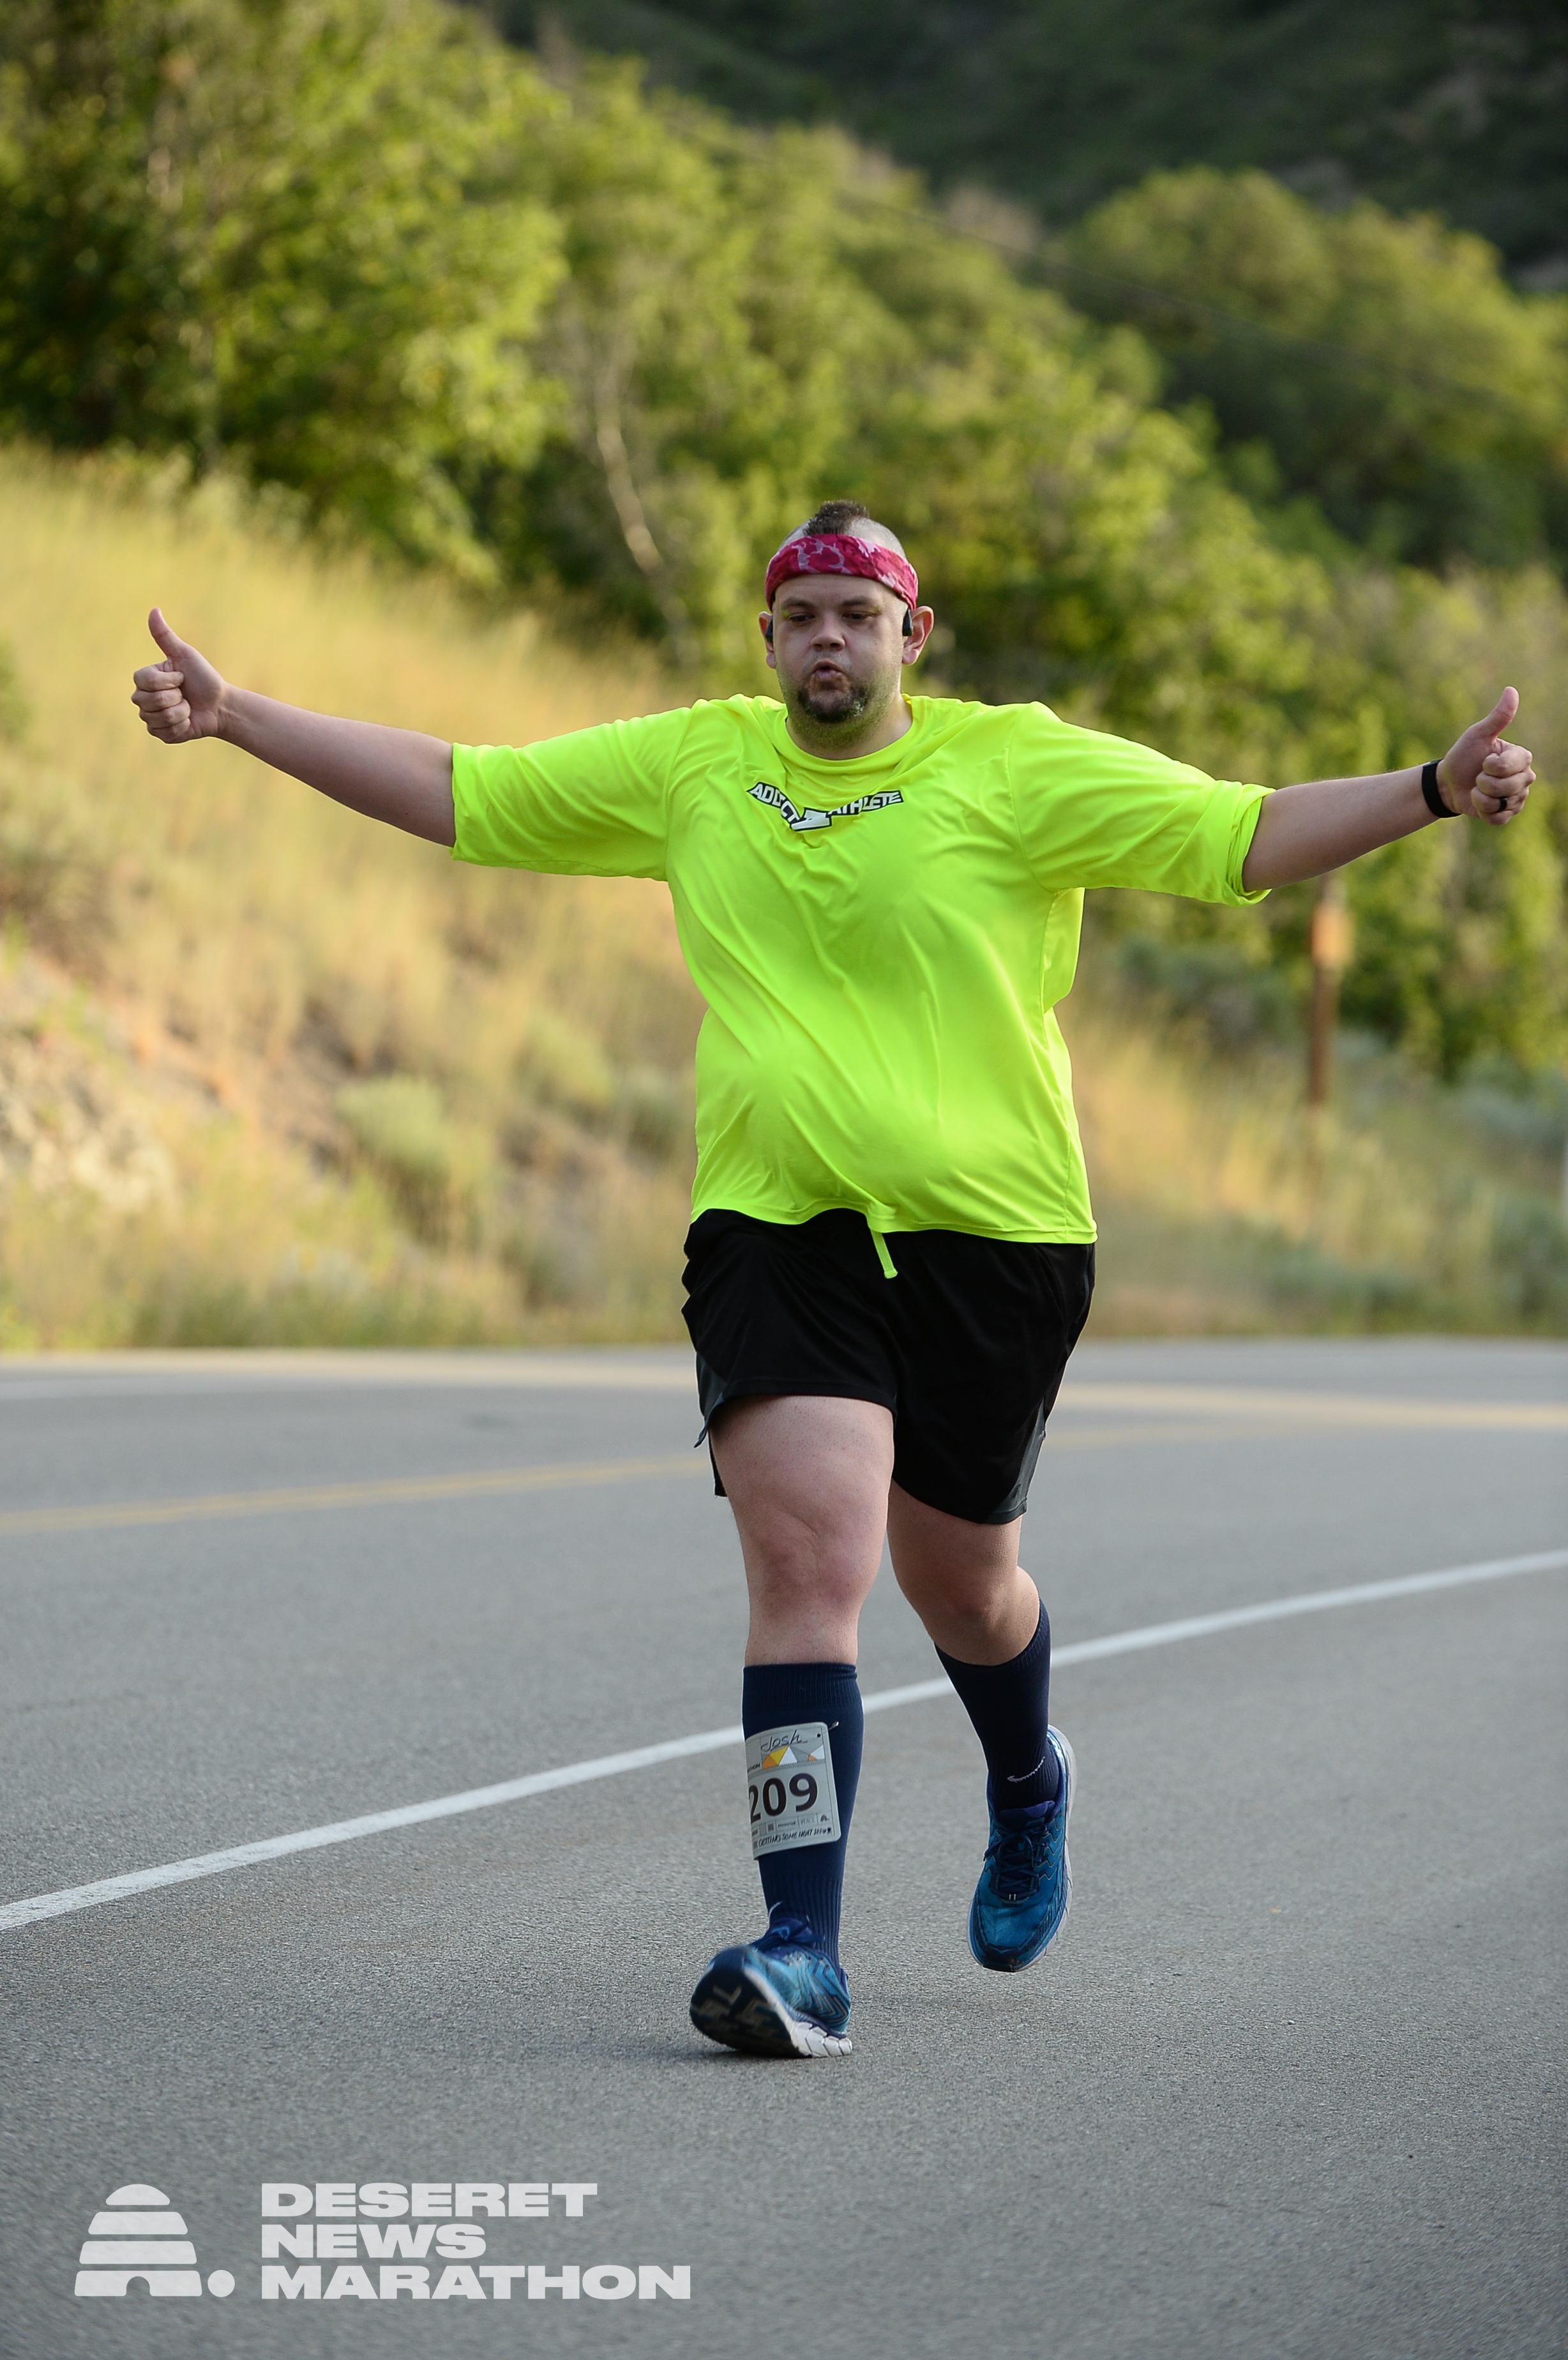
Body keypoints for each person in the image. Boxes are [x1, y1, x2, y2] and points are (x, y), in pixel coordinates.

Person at [131, 499, 1535, 2061]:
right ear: (767, 636)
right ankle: (802, 1947)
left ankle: (1027, 1781)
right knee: (809, 1565)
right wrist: (240, 716)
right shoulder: (698, 764)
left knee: (965, 1587)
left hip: (994, 1235)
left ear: (909, 637)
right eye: (800, 614)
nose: (827, 640)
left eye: (858, 616)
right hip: (776, 1222)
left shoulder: (1012, 766)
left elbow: (1243, 833)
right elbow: (465, 790)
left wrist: (1428, 790)